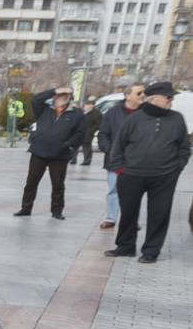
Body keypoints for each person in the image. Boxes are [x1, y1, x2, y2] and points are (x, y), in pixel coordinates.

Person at [103, 82, 190, 264]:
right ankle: (125, 247)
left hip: (164, 177)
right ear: (155, 98)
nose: (171, 101)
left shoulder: (177, 119)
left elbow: (184, 147)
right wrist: (120, 169)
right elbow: (118, 145)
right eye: (168, 97)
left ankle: (151, 251)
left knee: (159, 214)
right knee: (128, 212)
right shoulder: (135, 118)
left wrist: (178, 167)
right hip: (131, 175)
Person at [14, 85, 84, 220]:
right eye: (60, 95)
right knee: (31, 182)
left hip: (60, 155)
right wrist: (55, 90)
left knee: (58, 185)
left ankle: (57, 211)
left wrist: (68, 145)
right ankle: (25, 208)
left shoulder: (76, 113)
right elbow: (36, 100)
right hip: (39, 151)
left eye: (65, 95)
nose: (62, 97)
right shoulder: (44, 109)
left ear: (70, 97)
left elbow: (80, 133)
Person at [96, 83, 144, 230]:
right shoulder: (113, 112)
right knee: (114, 190)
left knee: (134, 193)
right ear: (128, 95)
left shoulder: (146, 113)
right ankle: (111, 218)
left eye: (144, 93)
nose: (143, 95)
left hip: (137, 161)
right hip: (115, 161)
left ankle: (130, 220)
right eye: (139, 93)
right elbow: (103, 134)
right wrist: (111, 151)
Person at [72, 98, 101, 166]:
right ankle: (73, 159)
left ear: (92, 105)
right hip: (79, 133)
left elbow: (98, 125)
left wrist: (91, 131)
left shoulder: (97, 114)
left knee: (86, 148)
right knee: (75, 146)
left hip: (88, 133)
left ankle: (87, 161)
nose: (86, 106)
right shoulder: (82, 112)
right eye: (86, 104)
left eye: (88, 105)